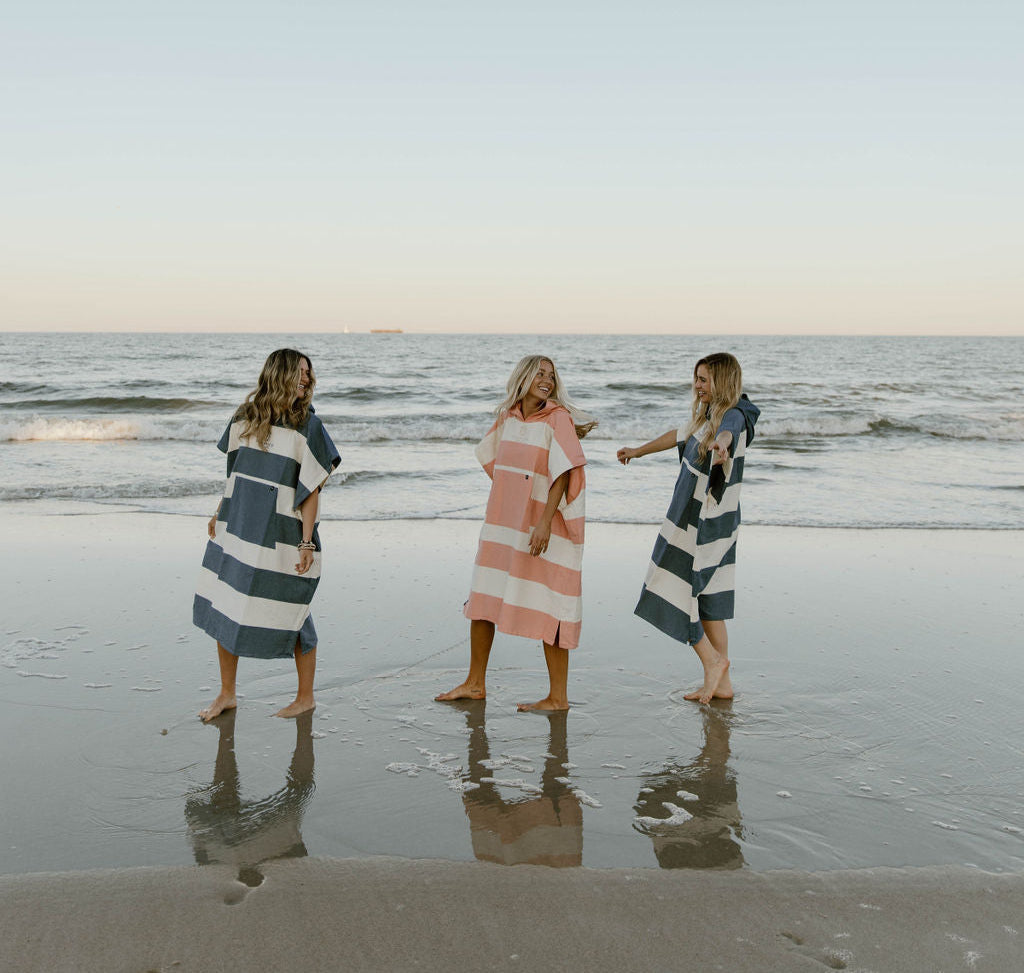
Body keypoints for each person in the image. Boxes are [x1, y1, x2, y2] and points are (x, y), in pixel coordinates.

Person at [435, 355, 595, 712]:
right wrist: (513, 499)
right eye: (539, 374)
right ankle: (475, 683)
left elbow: (563, 473)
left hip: (544, 526)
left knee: (552, 601)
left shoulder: (558, 418)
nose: (547, 380)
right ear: (523, 377)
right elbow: (496, 462)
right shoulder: (506, 418)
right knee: (484, 595)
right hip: (503, 525)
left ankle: (558, 697)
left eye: (551, 375)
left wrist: (543, 522)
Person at [194, 348, 340, 721]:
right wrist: (219, 511)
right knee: (228, 601)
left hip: (282, 531)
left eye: (308, 372)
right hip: (240, 525)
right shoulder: (244, 418)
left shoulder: (308, 426)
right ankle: (227, 693)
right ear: (279, 373)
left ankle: (305, 697)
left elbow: (312, 490)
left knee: (293, 608)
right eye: (299, 371)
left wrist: (306, 541)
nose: (306, 378)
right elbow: (235, 474)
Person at [617, 353, 759, 704]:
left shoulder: (734, 414)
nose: (697, 385)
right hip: (705, 518)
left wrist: (721, 444)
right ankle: (722, 683)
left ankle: (712, 661)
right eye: (696, 378)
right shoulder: (706, 416)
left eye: (704, 380)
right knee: (710, 601)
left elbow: (729, 431)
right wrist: (637, 451)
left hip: (703, 522)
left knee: (675, 587)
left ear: (722, 382)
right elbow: (676, 436)